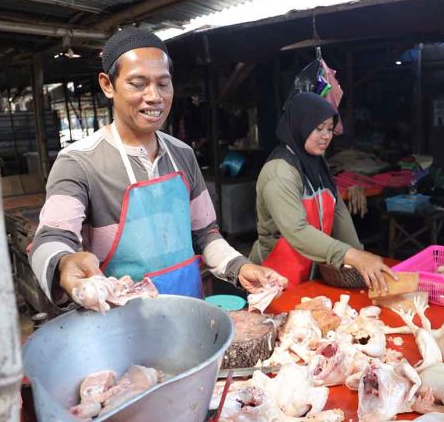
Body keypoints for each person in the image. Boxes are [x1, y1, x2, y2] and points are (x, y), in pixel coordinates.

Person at [29, 28, 286, 308]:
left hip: (189, 311)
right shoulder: (78, 162)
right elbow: (50, 240)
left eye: (163, 84)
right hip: (120, 327)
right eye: (138, 83)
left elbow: (205, 234)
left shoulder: (183, 155)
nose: (154, 96)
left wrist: (239, 266)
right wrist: (64, 262)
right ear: (107, 85)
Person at [250, 92, 395, 292]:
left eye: (329, 129)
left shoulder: (317, 164)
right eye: (318, 129)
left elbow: (337, 210)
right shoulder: (280, 173)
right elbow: (297, 231)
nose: (326, 136)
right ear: (300, 126)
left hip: (309, 274)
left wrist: (360, 256)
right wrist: (352, 255)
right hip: (272, 277)